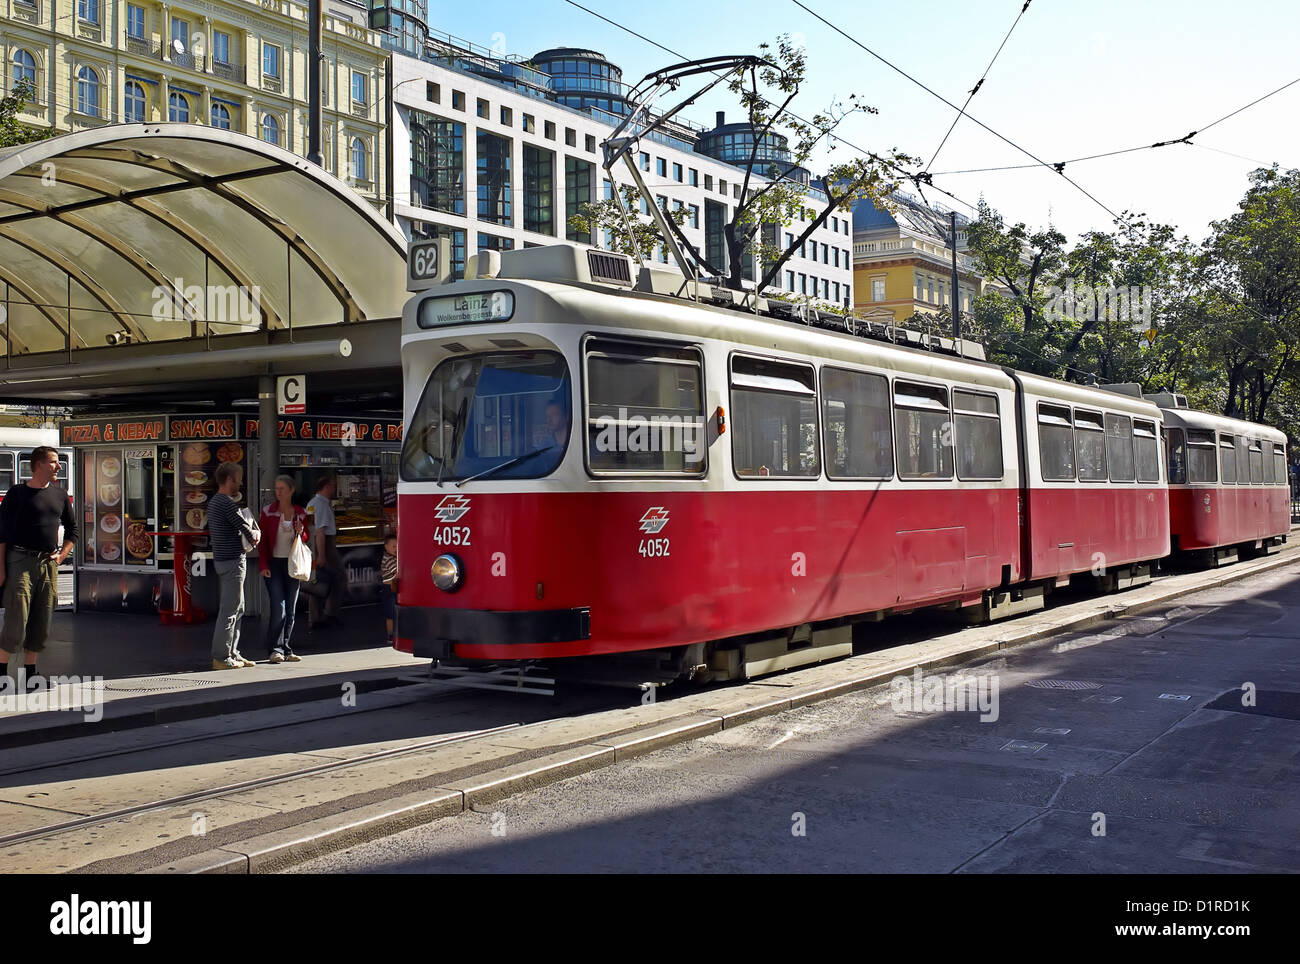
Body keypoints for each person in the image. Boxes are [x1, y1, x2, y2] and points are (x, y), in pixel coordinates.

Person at [0, 446, 77, 688]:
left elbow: (73, 531)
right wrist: (0, 569)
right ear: (39, 465)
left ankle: (31, 674)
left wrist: (62, 555)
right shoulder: (17, 494)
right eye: (54, 462)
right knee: (17, 618)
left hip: (48, 563)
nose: (59, 466)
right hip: (19, 560)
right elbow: (1, 533)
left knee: (42, 619)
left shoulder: (60, 495)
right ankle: (2, 675)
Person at [207, 461, 259, 670]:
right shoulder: (227, 503)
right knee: (230, 610)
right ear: (229, 480)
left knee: (239, 608)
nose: (241, 483)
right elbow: (246, 529)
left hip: (223, 560)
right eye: (238, 479)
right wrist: (255, 535)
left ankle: (232, 652)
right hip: (232, 562)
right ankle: (221, 656)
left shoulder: (214, 502)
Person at [259, 475, 310, 664]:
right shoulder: (268, 512)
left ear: (291, 490)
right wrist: (263, 565)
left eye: (282, 488)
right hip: (274, 564)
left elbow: (305, 538)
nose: (278, 492)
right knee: (278, 608)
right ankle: (275, 649)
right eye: (276, 488)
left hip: (292, 565)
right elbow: (262, 541)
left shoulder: (300, 513)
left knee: (291, 609)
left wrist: (301, 531)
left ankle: (286, 648)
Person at [306, 475, 344, 629]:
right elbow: (320, 531)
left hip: (317, 546)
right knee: (339, 578)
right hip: (325, 547)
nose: (334, 489)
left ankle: (316, 618)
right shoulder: (321, 505)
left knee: (318, 581)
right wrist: (321, 555)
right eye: (333, 486)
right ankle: (329, 614)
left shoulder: (313, 504)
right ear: (327, 486)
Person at [378, 533, 398, 645]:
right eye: (393, 546)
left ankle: (396, 633)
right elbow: (396, 571)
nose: (396, 549)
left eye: (398, 546)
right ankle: (390, 635)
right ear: (386, 547)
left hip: (394, 589)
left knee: (395, 612)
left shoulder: (395, 557)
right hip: (388, 590)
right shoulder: (388, 558)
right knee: (390, 614)